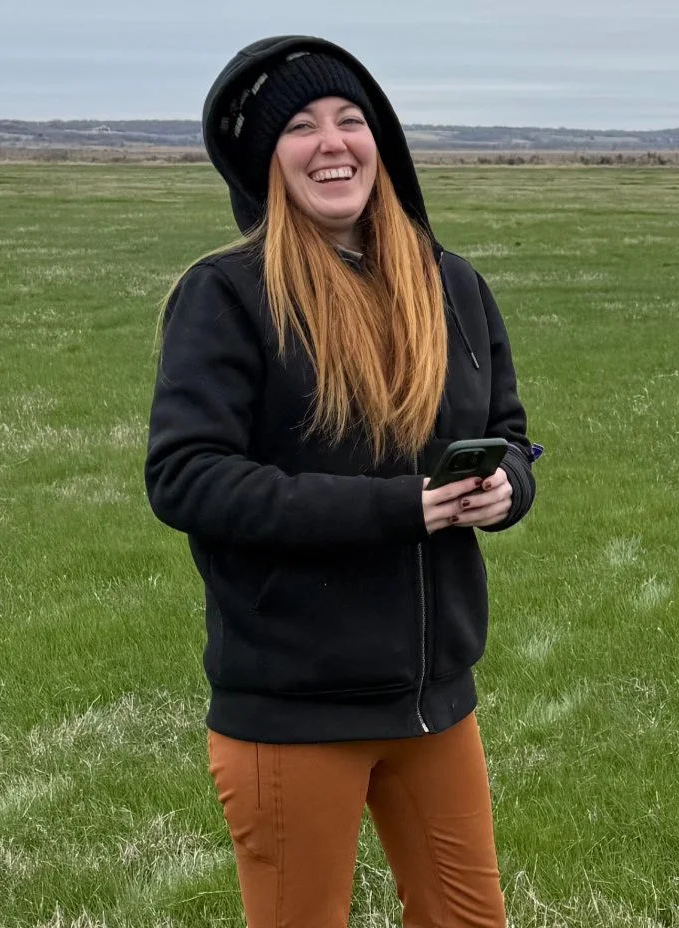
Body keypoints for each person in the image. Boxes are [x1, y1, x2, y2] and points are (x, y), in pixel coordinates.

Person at [145, 35, 538, 928]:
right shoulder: (229, 295)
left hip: (436, 706)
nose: (332, 142)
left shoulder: (453, 286)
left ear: (381, 142)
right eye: (300, 127)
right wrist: (400, 508)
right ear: (266, 161)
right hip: (291, 710)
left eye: (351, 119)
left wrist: (506, 486)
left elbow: (510, 437)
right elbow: (186, 478)